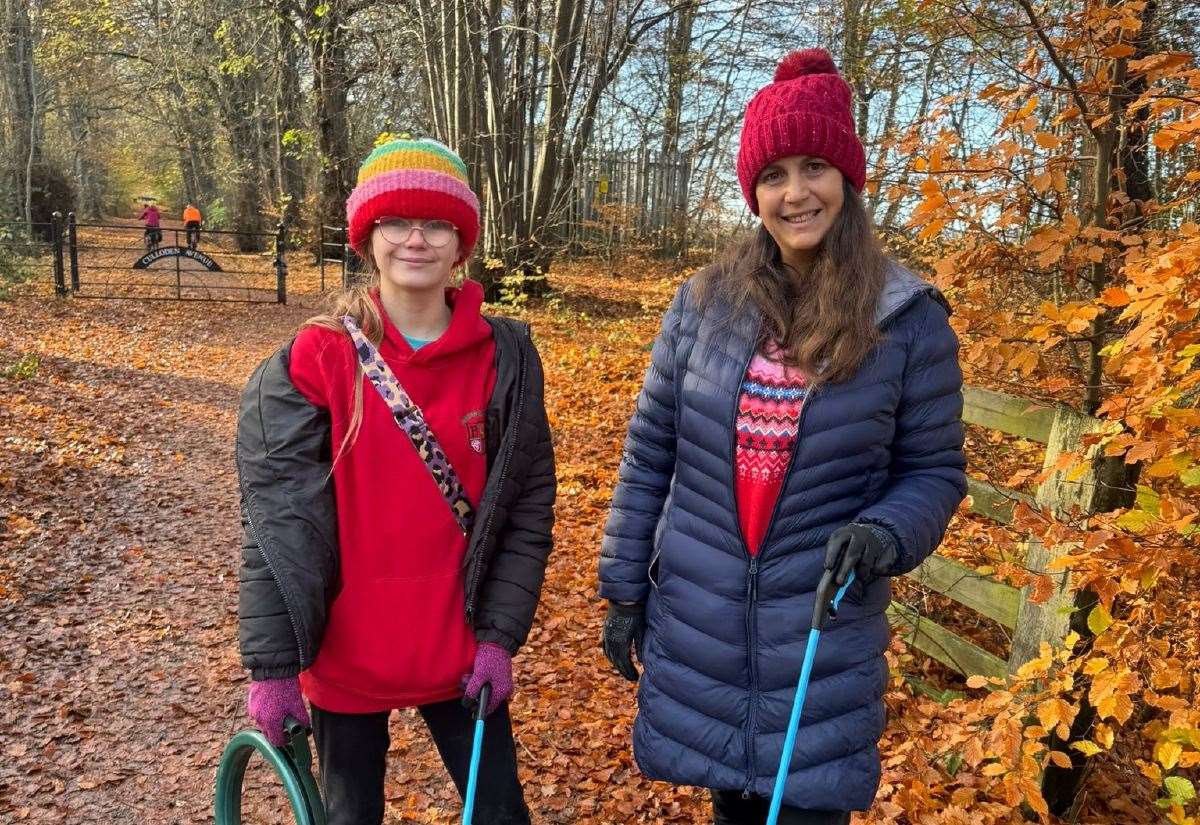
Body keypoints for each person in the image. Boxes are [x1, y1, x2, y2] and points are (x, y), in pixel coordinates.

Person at [598, 49, 967, 825]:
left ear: (848, 178)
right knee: (732, 809)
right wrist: (624, 588)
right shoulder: (704, 305)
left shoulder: (907, 319)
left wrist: (883, 531)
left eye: (814, 167)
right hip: (703, 626)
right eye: (774, 175)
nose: (795, 193)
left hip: (818, 640)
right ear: (752, 191)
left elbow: (933, 471)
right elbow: (649, 455)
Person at [236, 137, 556, 825]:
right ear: (367, 235)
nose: (416, 238)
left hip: (460, 653)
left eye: (437, 222)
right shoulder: (311, 361)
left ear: (461, 240)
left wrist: (500, 637)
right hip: (346, 660)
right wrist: (272, 668)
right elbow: (273, 525)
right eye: (395, 221)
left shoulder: (507, 360)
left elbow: (527, 510)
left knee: (501, 814)